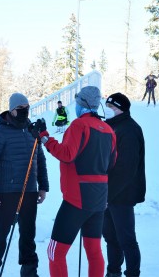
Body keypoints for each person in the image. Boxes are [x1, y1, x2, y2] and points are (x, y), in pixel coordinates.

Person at [30, 86, 117, 277]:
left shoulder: (79, 125)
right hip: (99, 199)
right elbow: (112, 162)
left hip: (77, 198)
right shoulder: (109, 130)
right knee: (94, 251)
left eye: (77, 102)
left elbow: (67, 154)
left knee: (55, 252)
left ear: (83, 104)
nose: (76, 105)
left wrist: (45, 137)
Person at [0, 93, 49, 277]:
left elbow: (40, 160)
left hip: (29, 192)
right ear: (11, 110)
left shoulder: (31, 130)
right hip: (6, 193)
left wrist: (43, 186)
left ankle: (29, 272)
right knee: (0, 236)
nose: (24, 112)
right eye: (20, 109)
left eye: (27, 108)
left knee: (28, 236)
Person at [103, 93, 146, 277]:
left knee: (126, 239)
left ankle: (132, 273)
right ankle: (113, 272)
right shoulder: (110, 127)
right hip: (108, 193)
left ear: (121, 109)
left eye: (111, 107)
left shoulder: (128, 129)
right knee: (111, 238)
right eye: (107, 106)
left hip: (122, 194)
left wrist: (106, 195)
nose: (108, 110)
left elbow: (126, 169)